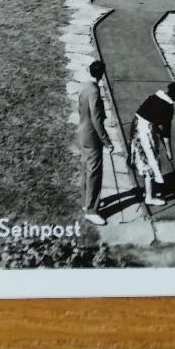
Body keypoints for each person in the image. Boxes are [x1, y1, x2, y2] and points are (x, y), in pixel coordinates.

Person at [130, 82, 175, 207]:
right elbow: (166, 133)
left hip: (136, 128)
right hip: (145, 133)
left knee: (146, 162)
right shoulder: (168, 107)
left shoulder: (154, 97)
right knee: (151, 163)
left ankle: (148, 191)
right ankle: (149, 197)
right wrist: (169, 152)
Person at [78, 60, 116, 226]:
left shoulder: (84, 86)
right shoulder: (94, 91)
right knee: (94, 173)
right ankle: (92, 211)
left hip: (83, 133)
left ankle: (86, 202)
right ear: (101, 75)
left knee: (86, 170)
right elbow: (96, 119)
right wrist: (106, 141)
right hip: (93, 137)